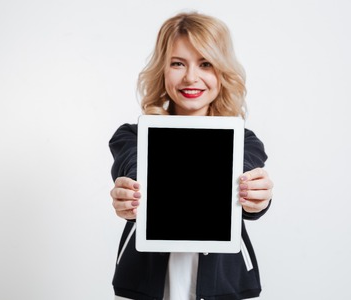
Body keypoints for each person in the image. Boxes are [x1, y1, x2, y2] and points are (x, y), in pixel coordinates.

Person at [109, 11, 274, 300]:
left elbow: (246, 179)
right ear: (162, 69)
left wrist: (256, 196)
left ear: (222, 72)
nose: (191, 77)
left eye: (206, 64)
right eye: (177, 63)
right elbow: (132, 167)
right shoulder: (132, 136)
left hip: (222, 284)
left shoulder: (244, 141)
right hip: (147, 283)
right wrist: (132, 193)